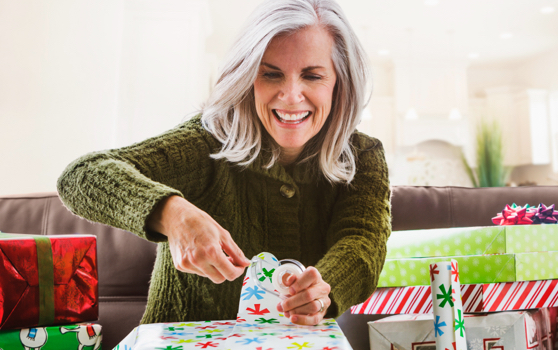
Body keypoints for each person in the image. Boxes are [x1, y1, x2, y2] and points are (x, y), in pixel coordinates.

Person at [57, 0, 390, 326]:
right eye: (271, 75)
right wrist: (173, 215)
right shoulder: (207, 140)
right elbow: (81, 175)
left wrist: (323, 289)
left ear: (339, 83)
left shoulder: (363, 155)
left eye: (312, 76)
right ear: (247, 79)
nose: (290, 95)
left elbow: (361, 243)